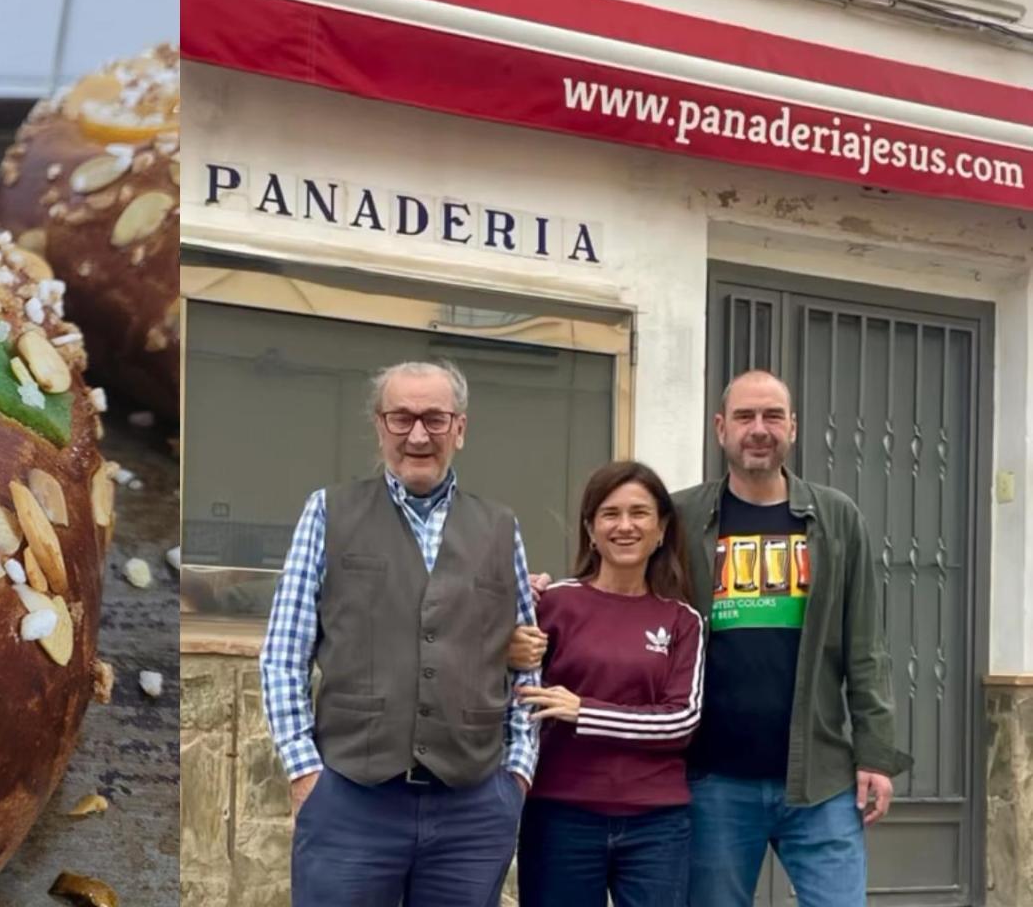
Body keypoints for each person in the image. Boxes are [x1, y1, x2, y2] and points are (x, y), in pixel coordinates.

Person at [509, 369, 911, 906]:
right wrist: (537, 596)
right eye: (745, 416)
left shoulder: (836, 517)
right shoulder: (684, 514)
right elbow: (619, 585)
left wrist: (876, 755)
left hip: (820, 777)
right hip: (714, 779)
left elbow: (866, 646)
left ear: (792, 427)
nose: (759, 429)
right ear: (721, 428)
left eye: (772, 416)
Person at [259, 360, 539, 907]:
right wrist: (304, 773)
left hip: (473, 810)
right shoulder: (328, 511)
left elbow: (525, 661)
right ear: (379, 425)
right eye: (401, 418)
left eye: (434, 419)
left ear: (460, 427)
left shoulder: (501, 527)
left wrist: (517, 774)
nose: (417, 435)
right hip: (351, 802)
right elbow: (284, 654)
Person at [515, 460, 704, 907]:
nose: (625, 526)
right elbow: (515, 694)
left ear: (661, 529)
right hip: (561, 814)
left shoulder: (682, 620)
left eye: (639, 513)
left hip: (657, 823)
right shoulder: (553, 605)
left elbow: (681, 720)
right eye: (609, 514)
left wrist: (584, 711)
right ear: (590, 529)